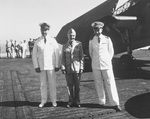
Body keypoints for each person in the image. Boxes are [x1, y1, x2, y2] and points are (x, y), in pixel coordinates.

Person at [89, 21, 121, 111]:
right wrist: (97, 61)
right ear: (94, 30)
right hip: (96, 65)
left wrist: (106, 60)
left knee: (110, 83)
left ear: (102, 29)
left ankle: (115, 103)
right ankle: (101, 101)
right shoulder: (91, 41)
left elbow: (111, 52)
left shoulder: (107, 39)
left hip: (106, 65)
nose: (97, 31)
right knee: (98, 83)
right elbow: (91, 54)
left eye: (99, 29)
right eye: (96, 29)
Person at [32, 23, 60, 108]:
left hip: (51, 66)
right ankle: (43, 101)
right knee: (43, 84)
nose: (44, 31)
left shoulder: (53, 40)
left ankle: (53, 101)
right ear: (40, 30)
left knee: (52, 84)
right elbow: (34, 55)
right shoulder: (37, 41)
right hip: (42, 66)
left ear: (48, 30)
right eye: (42, 30)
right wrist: (36, 66)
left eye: (45, 30)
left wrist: (57, 65)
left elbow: (57, 53)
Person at [61, 28, 84, 108]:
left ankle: (77, 101)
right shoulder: (64, 46)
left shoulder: (79, 44)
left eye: (73, 35)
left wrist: (81, 67)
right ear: (68, 36)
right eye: (70, 35)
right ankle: (71, 101)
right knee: (69, 86)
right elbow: (63, 58)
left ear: (75, 35)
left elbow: (81, 57)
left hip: (77, 69)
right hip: (68, 69)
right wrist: (63, 68)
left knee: (77, 87)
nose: (72, 37)